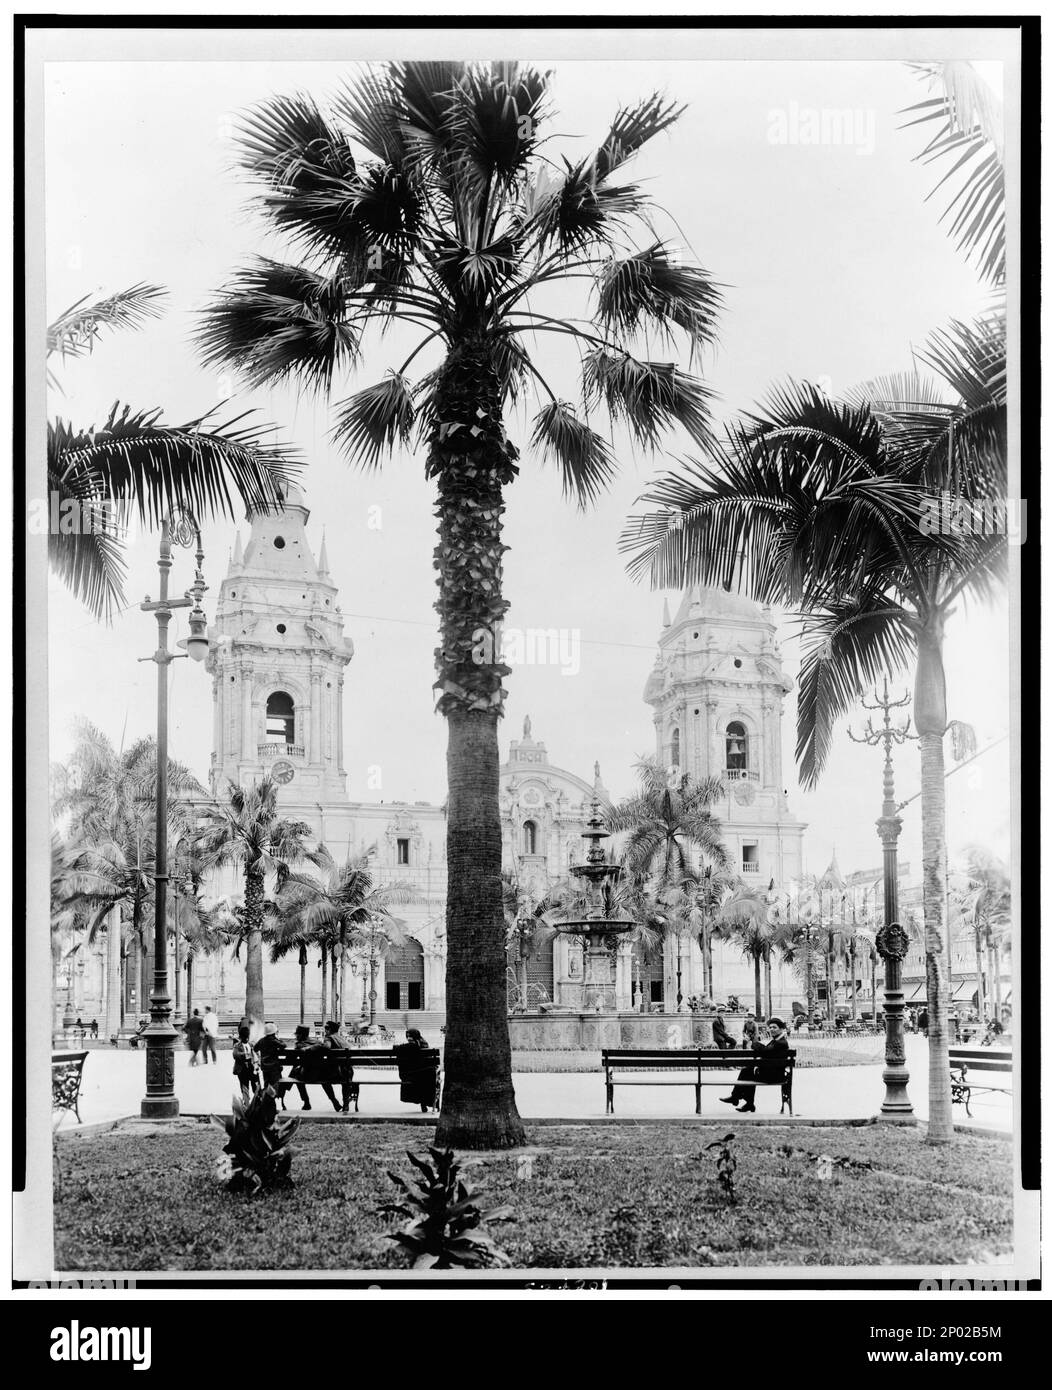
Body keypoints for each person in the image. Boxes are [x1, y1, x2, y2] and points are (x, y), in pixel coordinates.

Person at [720, 1016, 790, 1113]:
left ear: (781, 1029)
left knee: (747, 1072)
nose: (771, 1029)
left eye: (774, 1027)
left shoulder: (780, 1043)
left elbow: (764, 1051)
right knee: (747, 1071)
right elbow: (766, 1051)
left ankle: (738, 1098)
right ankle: (745, 1102)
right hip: (774, 1073)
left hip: (774, 1076)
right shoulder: (777, 1040)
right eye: (770, 1027)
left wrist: (753, 1043)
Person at [393, 1027, 439, 1112]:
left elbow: (396, 1049)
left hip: (409, 1074)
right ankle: (426, 1102)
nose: (408, 1038)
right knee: (425, 1077)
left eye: (409, 1036)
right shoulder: (424, 1045)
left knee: (421, 1078)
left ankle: (423, 1102)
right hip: (421, 1073)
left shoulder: (407, 1047)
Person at [254, 1022, 286, 1109]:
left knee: (266, 1084)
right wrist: (278, 1039)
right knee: (275, 1085)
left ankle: (266, 1101)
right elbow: (284, 1045)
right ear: (274, 1033)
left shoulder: (262, 1040)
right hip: (274, 1068)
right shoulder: (274, 1041)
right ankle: (272, 1102)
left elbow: (255, 1048)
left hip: (265, 1068)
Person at [231, 1023, 260, 1104]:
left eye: (247, 1037)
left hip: (252, 1067)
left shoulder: (251, 1044)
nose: (246, 1039)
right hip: (242, 1068)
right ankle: (246, 1101)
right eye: (244, 1037)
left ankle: (257, 1099)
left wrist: (257, 1061)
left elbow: (257, 1054)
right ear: (241, 1037)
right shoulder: (237, 1045)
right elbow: (235, 1054)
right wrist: (246, 1054)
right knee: (244, 1086)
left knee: (255, 1084)